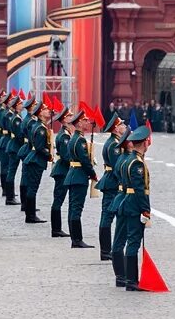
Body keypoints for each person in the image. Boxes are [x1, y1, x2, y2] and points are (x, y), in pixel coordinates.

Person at [112, 124, 152, 292]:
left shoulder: (127, 159)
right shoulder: (137, 163)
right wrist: (146, 210)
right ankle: (132, 281)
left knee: (124, 240)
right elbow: (140, 189)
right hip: (133, 205)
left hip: (125, 202)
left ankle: (126, 278)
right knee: (133, 242)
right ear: (144, 143)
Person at [63, 108, 98, 249]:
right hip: (79, 176)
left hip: (73, 174)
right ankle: (77, 239)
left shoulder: (74, 138)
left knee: (73, 208)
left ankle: (75, 238)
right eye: (84, 120)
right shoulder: (80, 140)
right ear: (78, 123)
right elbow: (84, 160)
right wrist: (92, 173)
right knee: (77, 208)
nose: (86, 122)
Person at [95, 113, 127, 261]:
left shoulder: (115, 142)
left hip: (111, 181)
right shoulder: (114, 144)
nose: (124, 127)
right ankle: (106, 250)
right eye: (121, 125)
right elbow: (117, 166)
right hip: (112, 182)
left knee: (107, 215)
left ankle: (106, 250)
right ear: (115, 129)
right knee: (107, 216)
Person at [20, 100, 52, 225]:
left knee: (31, 187)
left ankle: (30, 213)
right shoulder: (40, 129)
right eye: (45, 110)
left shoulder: (39, 126)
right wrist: (49, 155)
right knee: (33, 188)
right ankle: (31, 215)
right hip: (36, 160)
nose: (48, 111)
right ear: (40, 113)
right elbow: (39, 147)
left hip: (33, 158)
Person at [49, 106, 73, 238]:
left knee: (59, 199)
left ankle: (57, 228)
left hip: (64, 170)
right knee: (58, 200)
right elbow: (66, 156)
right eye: (70, 116)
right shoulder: (64, 136)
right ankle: (56, 229)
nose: (72, 117)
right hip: (62, 171)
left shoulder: (67, 133)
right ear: (64, 120)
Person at [3, 94, 26, 206]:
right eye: (20, 103)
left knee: (11, 171)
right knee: (11, 172)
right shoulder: (16, 118)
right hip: (15, 147)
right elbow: (19, 135)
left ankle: (10, 196)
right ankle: (10, 197)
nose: (22, 105)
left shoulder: (17, 116)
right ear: (16, 106)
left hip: (15, 146)